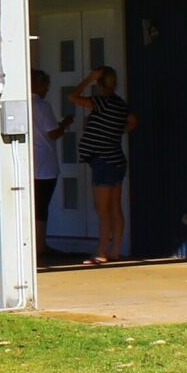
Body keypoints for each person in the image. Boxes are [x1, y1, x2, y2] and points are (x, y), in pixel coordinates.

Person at [67, 64, 137, 264]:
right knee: (115, 207)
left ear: (99, 83)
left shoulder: (102, 102)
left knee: (102, 208)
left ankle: (100, 252)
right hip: (116, 158)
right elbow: (133, 121)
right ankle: (114, 250)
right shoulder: (120, 104)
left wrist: (88, 78)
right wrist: (116, 131)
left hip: (103, 161)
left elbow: (72, 96)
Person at [29, 69, 72, 243]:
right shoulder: (41, 106)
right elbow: (52, 132)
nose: (47, 90)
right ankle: (40, 245)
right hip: (45, 163)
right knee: (41, 206)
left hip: (29, 161)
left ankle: (30, 245)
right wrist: (65, 124)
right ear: (37, 85)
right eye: (45, 86)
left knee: (31, 204)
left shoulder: (24, 104)